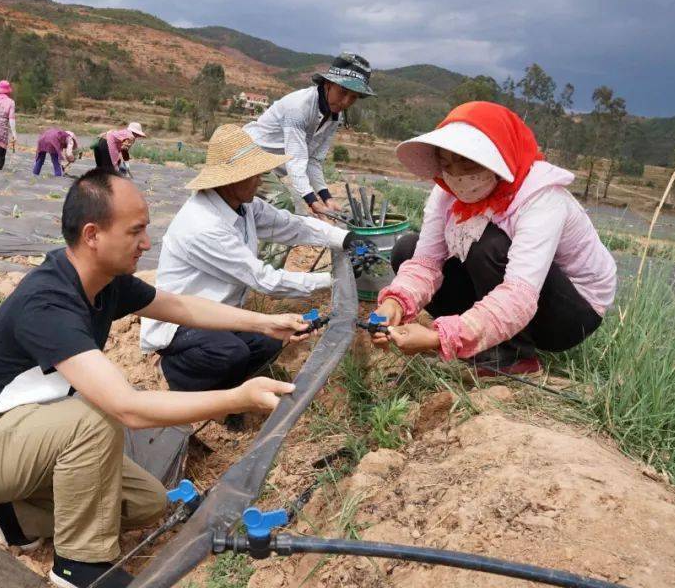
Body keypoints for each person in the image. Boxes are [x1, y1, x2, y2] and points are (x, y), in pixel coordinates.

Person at [0, 169, 309, 588]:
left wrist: (265, 322)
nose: (147, 243)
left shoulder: (104, 283)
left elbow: (182, 309)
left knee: (148, 503)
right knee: (95, 416)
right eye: (136, 231)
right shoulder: (48, 302)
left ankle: (16, 516)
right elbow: (128, 408)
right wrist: (238, 397)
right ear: (93, 234)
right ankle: (79, 568)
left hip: (31, 430)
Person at [370, 101, 617, 375]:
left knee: (486, 244)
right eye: (447, 164)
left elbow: (519, 295)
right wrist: (394, 303)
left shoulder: (542, 197)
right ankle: (478, 339)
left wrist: (438, 338)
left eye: (467, 162)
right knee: (407, 248)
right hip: (507, 287)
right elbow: (425, 263)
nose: (457, 176)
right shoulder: (447, 191)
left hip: (568, 314)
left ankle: (515, 356)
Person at [141, 124, 353, 393]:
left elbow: (289, 225)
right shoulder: (204, 225)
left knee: (269, 342)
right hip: (183, 322)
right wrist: (334, 279)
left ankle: (230, 388)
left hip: (223, 315)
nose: (260, 181)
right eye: (254, 175)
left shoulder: (243, 205)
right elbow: (264, 280)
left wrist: (343, 238)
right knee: (231, 353)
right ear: (232, 179)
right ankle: (179, 377)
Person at [243, 53, 375, 218]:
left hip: (270, 168)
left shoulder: (334, 116)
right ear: (328, 84)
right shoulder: (299, 107)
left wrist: (326, 198)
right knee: (282, 202)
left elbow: (313, 160)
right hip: (249, 156)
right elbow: (296, 159)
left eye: (353, 97)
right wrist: (312, 201)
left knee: (263, 213)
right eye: (342, 92)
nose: (346, 102)